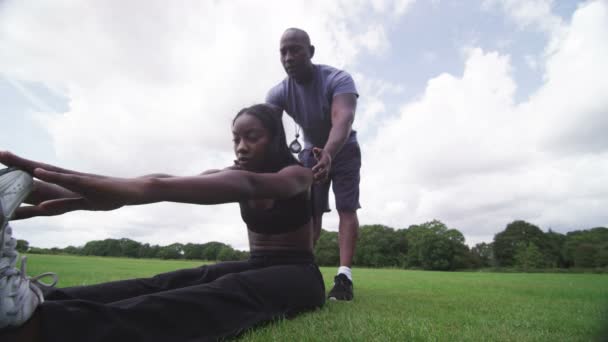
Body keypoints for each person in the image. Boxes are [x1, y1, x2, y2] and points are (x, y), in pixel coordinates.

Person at [0, 104, 325, 342]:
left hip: (299, 275)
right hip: (256, 263)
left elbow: (249, 186)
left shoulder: (297, 175)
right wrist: (43, 185)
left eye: (252, 137)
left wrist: (134, 191)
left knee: (223, 291)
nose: (241, 147)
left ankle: (39, 329)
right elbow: (160, 179)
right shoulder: (234, 172)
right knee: (179, 278)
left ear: (275, 140)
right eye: (235, 139)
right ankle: (35, 301)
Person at [266, 28, 360, 301]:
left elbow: (342, 120)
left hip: (344, 149)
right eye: (283, 51)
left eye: (295, 49)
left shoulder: (338, 79)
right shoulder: (277, 93)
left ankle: (344, 277)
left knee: (346, 208)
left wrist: (328, 153)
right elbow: (270, 133)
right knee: (310, 214)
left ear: (311, 52)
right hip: (309, 153)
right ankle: (302, 267)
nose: (288, 57)